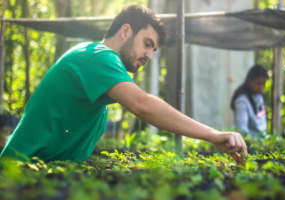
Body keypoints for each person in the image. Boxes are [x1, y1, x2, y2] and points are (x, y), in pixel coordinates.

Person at [0, 5, 247, 163]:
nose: (150, 56)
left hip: (39, 175)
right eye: (148, 44)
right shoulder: (97, 56)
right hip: (17, 176)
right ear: (126, 31)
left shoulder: (96, 65)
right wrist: (214, 135)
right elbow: (143, 105)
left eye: (154, 50)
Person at [230, 65, 268, 137]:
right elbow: (242, 130)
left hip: (262, 141)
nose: (261, 87)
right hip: (250, 145)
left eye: (263, 83)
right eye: (258, 83)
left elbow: (262, 122)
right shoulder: (241, 101)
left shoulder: (259, 96)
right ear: (250, 81)